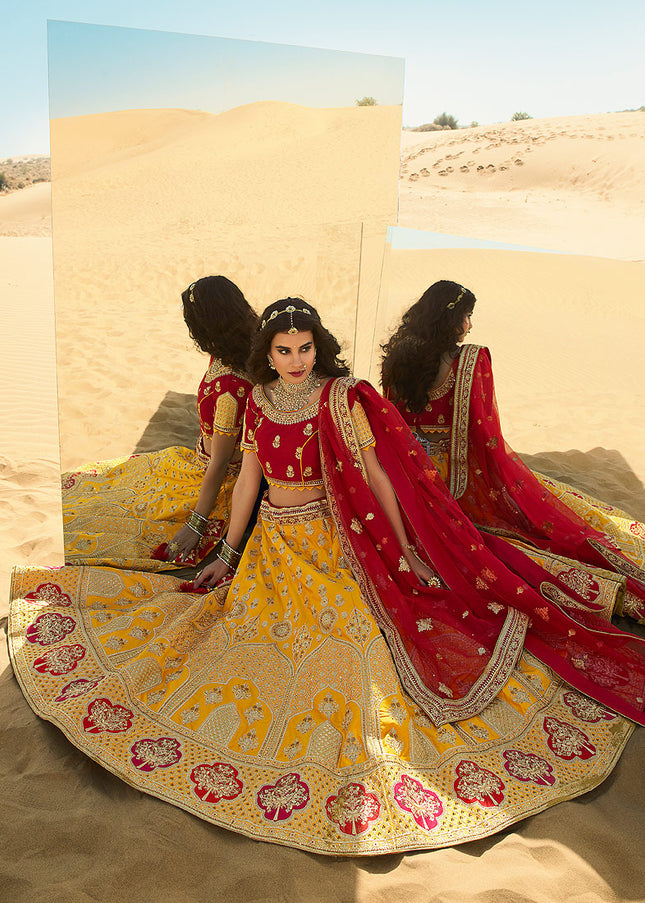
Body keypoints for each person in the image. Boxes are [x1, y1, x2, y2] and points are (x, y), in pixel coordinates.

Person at [9, 299, 645, 855]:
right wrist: (228, 554)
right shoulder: (256, 400)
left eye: (305, 348)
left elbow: (377, 479)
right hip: (271, 551)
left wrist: (402, 549)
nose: (295, 360)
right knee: (234, 641)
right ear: (268, 351)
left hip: (332, 539)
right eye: (283, 349)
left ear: (320, 347)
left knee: (360, 653)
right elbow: (250, 482)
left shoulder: (340, 399)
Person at [381, 279, 645, 623]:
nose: (470, 325)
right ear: (451, 320)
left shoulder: (397, 361)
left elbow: (391, 423)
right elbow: (486, 437)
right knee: (529, 517)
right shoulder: (472, 360)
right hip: (455, 486)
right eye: (467, 315)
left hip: (409, 480)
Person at [62, 275, 257, 571]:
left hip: (216, 480)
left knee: (117, 517)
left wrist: (197, 524)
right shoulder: (239, 349)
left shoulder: (230, 386)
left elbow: (219, 462)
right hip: (196, 461)